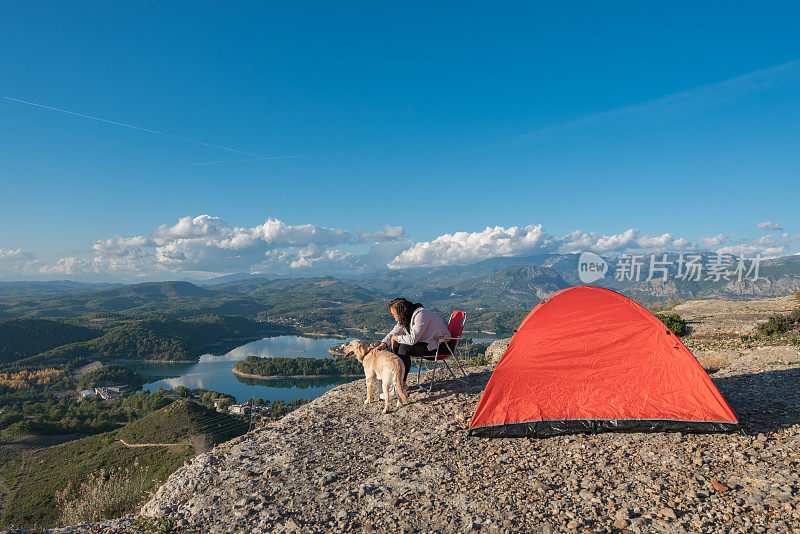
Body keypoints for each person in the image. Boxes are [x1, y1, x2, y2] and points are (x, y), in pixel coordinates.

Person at [369, 298, 450, 383]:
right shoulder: (406, 318)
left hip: (439, 347)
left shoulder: (421, 315)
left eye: (393, 314)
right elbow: (393, 333)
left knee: (404, 347)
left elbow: (412, 340)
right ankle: (396, 381)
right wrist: (382, 345)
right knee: (397, 345)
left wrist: (396, 338)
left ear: (401, 312)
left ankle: (401, 383)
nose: (392, 316)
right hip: (428, 344)